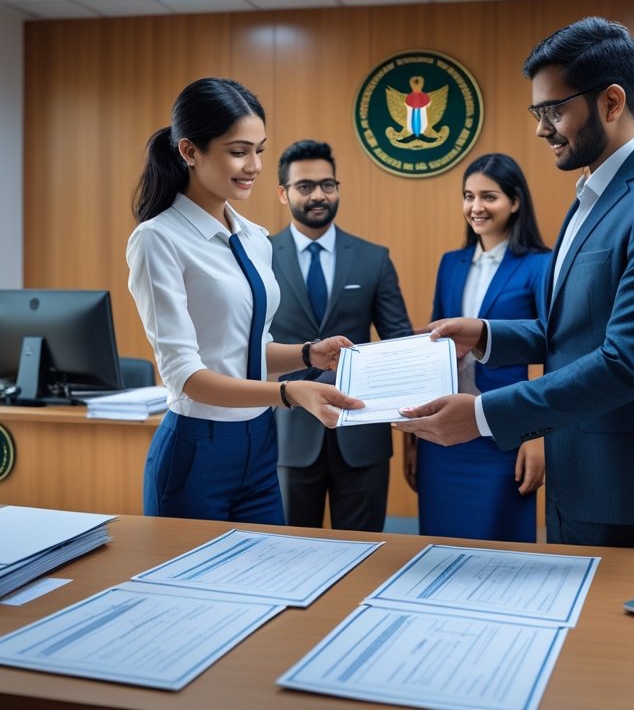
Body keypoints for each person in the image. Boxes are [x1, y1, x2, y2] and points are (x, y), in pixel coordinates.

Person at [399, 17, 634, 550]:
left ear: (611, 103)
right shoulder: (590, 195)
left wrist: (482, 416)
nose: (541, 129)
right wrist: (482, 335)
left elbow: (625, 363)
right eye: (537, 112)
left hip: (630, 488)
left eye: (554, 111)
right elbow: (566, 330)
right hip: (578, 478)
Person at [126, 77, 362, 524]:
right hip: (197, 447)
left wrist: (310, 353)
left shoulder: (254, 238)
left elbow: (247, 351)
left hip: (259, 445)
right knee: (196, 592)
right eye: (238, 151)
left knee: (266, 581)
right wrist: (290, 393)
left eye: (260, 149)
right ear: (190, 151)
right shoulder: (158, 239)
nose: (254, 165)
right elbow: (186, 377)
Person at [404, 153, 551, 542]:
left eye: (489, 197)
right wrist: (414, 438)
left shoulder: (541, 265)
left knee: (501, 553)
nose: (476, 207)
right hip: (444, 431)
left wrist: (538, 437)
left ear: (515, 201)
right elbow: (430, 351)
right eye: (468, 196)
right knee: (440, 547)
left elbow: (553, 353)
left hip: (503, 432)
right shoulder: (450, 264)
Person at [269, 139, 413, 532]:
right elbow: (247, 347)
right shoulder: (259, 257)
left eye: (328, 184)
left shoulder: (373, 258)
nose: (318, 195)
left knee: (365, 554)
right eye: (305, 186)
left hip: (362, 434)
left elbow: (399, 342)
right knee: (289, 555)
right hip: (287, 438)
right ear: (283, 193)